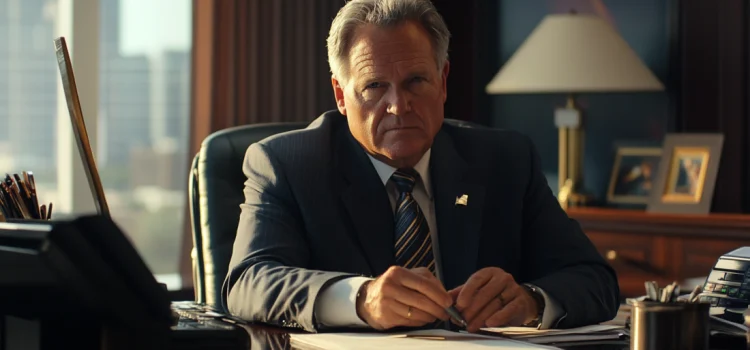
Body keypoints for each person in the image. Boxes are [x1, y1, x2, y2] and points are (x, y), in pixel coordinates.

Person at [222, 0, 619, 333]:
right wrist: (359, 298)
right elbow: (248, 282)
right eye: (375, 86)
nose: (399, 106)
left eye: (416, 81)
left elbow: (595, 280)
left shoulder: (505, 160)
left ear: (443, 82)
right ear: (341, 95)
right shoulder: (287, 164)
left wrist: (531, 301)